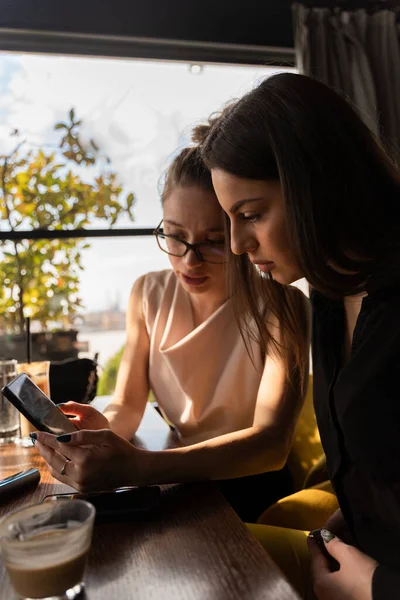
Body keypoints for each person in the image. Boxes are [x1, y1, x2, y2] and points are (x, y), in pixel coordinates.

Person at [197, 72, 400, 599]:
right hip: (356, 555)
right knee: (203, 560)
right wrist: (346, 519)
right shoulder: (332, 297)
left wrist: (373, 586)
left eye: (251, 214)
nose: (238, 245)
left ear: (318, 184)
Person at [33, 142, 310, 523]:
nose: (189, 260)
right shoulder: (148, 294)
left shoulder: (283, 304)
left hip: (251, 483)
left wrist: (140, 467)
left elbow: (271, 444)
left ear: (239, 230)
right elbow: (129, 402)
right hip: (177, 474)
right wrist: (104, 431)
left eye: (213, 241)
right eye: (176, 236)